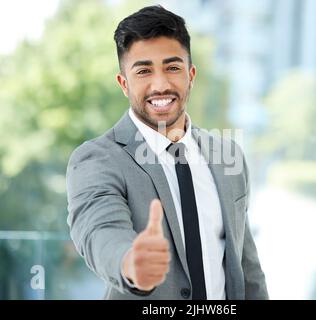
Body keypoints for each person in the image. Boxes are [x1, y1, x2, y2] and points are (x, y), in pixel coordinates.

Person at [66, 5, 268, 300]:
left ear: (191, 75)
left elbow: (247, 268)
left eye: (172, 67)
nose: (160, 84)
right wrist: (130, 262)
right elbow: (99, 230)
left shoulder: (228, 156)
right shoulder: (97, 159)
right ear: (124, 84)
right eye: (144, 71)